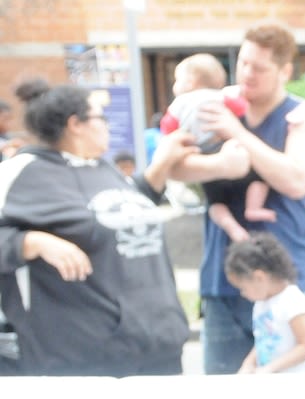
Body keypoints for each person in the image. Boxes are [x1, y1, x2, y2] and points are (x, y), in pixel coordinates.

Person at [0, 78, 195, 377]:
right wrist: (31, 242)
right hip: (81, 359)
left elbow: (117, 215)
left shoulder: (102, 168)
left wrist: (162, 165)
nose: (106, 125)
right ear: (75, 124)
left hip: (157, 344)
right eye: (100, 118)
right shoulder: (20, 173)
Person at [168, 21, 305, 375]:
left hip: (287, 279)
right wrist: (218, 164)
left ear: (285, 70)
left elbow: (297, 180)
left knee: (295, 398)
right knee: (227, 396)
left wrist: (237, 133)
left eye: (259, 68)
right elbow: (173, 166)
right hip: (224, 277)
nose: (247, 74)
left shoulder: (303, 114)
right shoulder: (214, 104)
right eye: (242, 63)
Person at [162, 52, 274, 243]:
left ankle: (232, 228)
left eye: (177, 80)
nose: (175, 85)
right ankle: (254, 207)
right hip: (228, 149)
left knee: (215, 202)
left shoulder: (178, 104)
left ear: (190, 81)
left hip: (203, 156)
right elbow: (243, 111)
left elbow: (168, 127)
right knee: (259, 178)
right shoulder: (221, 97)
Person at [223, 232, 305, 374]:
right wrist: (249, 363)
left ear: (259, 277)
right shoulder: (262, 303)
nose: (243, 294)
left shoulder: (292, 301)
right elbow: (265, 340)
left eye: (243, 288)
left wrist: (271, 367)